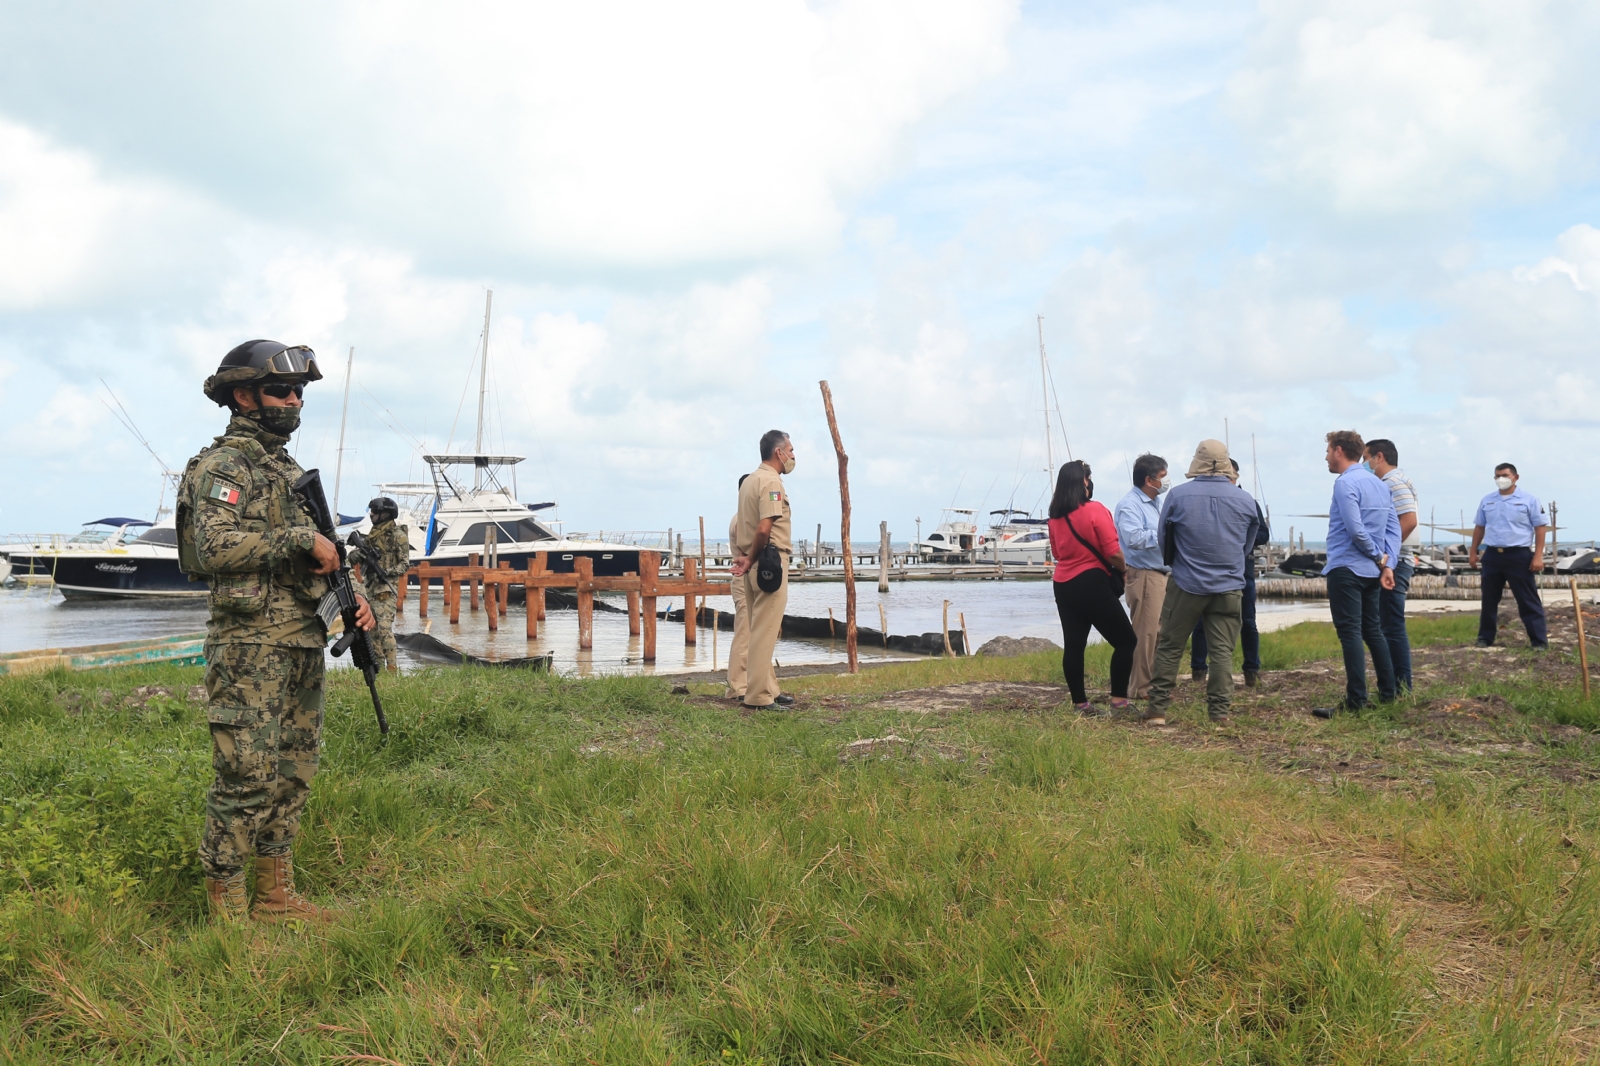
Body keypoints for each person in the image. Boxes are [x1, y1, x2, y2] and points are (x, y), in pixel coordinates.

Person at [178, 340, 375, 924]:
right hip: (249, 647)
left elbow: (321, 560)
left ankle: (273, 895)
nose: (294, 402)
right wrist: (297, 540)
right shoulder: (224, 467)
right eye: (282, 391)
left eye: (299, 393)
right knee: (245, 773)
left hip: (301, 640)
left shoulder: (287, 470)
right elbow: (208, 549)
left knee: (294, 771)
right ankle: (227, 906)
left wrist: (353, 598)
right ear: (244, 396)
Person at [1143, 440, 1260, 726]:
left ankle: (1157, 710)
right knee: (1222, 652)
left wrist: (1178, 562)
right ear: (1227, 464)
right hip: (1229, 586)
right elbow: (1247, 545)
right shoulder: (1245, 499)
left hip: (1186, 583)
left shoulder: (1178, 496)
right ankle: (1219, 713)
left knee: (1170, 645)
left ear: (1197, 462)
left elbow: (1162, 539)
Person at [1312, 430, 1399, 718]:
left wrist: (1377, 556)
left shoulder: (1345, 483)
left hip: (1347, 566)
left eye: (1327, 450)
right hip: (1371, 570)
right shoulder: (1379, 484)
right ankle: (1389, 693)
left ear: (1338, 450)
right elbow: (1392, 530)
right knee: (1373, 630)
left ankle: (1356, 701)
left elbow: (1354, 528)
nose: (1325, 456)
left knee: (1350, 633)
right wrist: (1387, 563)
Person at [1048, 460, 1136, 714]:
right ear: (1084, 481)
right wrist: (1123, 570)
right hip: (1092, 582)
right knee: (1126, 641)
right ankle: (1119, 702)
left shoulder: (1054, 517)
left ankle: (1080, 704)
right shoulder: (1096, 510)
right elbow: (1113, 552)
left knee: (1074, 645)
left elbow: (1057, 552)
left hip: (1063, 584)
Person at [1188, 458, 1270, 687]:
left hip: (1244, 570)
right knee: (1201, 621)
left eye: (1230, 474)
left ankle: (1251, 670)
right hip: (1209, 570)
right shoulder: (1207, 499)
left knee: (1249, 622)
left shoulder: (1249, 502)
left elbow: (1263, 534)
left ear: (1236, 475)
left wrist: (1236, 538)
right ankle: (1198, 670)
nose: (1226, 478)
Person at [730, 430, 795, 710]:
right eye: (790, 450)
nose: (793, 456)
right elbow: (764, 527)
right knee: (765, 631)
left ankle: (767, 688)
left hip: (752, 560)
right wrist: (753, 557)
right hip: (768, 561)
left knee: (758, 628)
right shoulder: (770, 481)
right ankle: (757, 695)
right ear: (778, 452)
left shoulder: (750, 481)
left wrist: (746, 558)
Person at [1469, 462, 1549, 649]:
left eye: (1504, 475)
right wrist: (1473, 552)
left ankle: (1538, 641)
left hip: (1518, 555)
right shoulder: (1487, 500)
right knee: (1489, 599)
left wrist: (1538, 556)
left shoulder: (1529, 500)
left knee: (1527, 599)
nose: (1501, 479)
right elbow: (1479, 527)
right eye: (1497, 476)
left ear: (1515, 477)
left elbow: (1540, 528)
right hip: (1492, 555)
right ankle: (1485, 638)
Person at [1113, 454, 1169, 699]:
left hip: (1161, 574)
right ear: (1149, 479)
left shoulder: (1155, 502)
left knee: (1158, 633)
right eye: (1162, 477)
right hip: (1145, 575)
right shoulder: (1130, 505)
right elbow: (1133, 538)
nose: (1166, 483)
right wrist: (1166, 535)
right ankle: (1140, 688)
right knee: (1145, 634)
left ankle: (1152, 684)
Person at [1364, 439, 1418, 689]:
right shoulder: (1389, 482)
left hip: (1395, 563)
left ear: (1379, 457)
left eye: (1366, 458)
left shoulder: (1393, 483)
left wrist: (1387, 558)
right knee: (1385, 624)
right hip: (1393, 561)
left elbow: (1409, 520)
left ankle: (1401, 685)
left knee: (1391, 625)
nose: (1365, 464)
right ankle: (1395, 684)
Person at [353, 496, 411, 673]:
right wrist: (357, 555)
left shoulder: (398, 536)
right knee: (371, 631)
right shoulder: (371, 536)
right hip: (369, 588)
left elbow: (405, 564)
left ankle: (392, 668)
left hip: (385, 588)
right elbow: (354, 557)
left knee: (385, 629)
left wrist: (388, 572)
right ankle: (377, 667)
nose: (371, 515)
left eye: (375, 512)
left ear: (385, 514)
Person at [725, 474, 751, 702]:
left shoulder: (746, 518)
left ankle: (753, 684)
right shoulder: (742, 520)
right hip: (744, 580)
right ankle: (737, 687)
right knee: (744, 635)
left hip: (749, 579)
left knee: (754, 635)